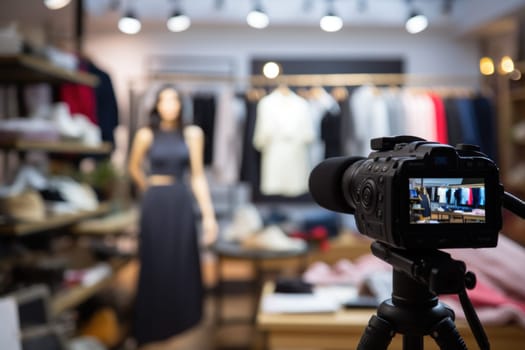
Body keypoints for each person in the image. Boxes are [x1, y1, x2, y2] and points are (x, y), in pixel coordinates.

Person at [128, 85, 218, 346]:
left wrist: (209, 215)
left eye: (174, 100)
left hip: (180, 199)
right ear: (156, 105)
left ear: (181, 104)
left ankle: (182, 318)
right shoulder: (146, 134)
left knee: (181, 258)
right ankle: (152, 323)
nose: (169, 105)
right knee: (155, 259)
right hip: (155, 201)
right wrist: (149, 188)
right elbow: (133, 167)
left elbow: (198, 176)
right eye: (164, 100)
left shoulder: (192, 134)